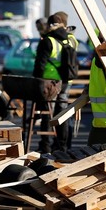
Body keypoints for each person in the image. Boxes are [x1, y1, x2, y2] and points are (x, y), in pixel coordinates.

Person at [33, 12, 75, 153]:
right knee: (61, 113)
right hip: (66, 81)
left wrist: (36, 81)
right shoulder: (71, 39)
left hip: (49, 82)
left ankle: (46, 145)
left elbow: (40, 65)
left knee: (48, 114)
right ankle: (62, 146)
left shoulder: (48, 41)